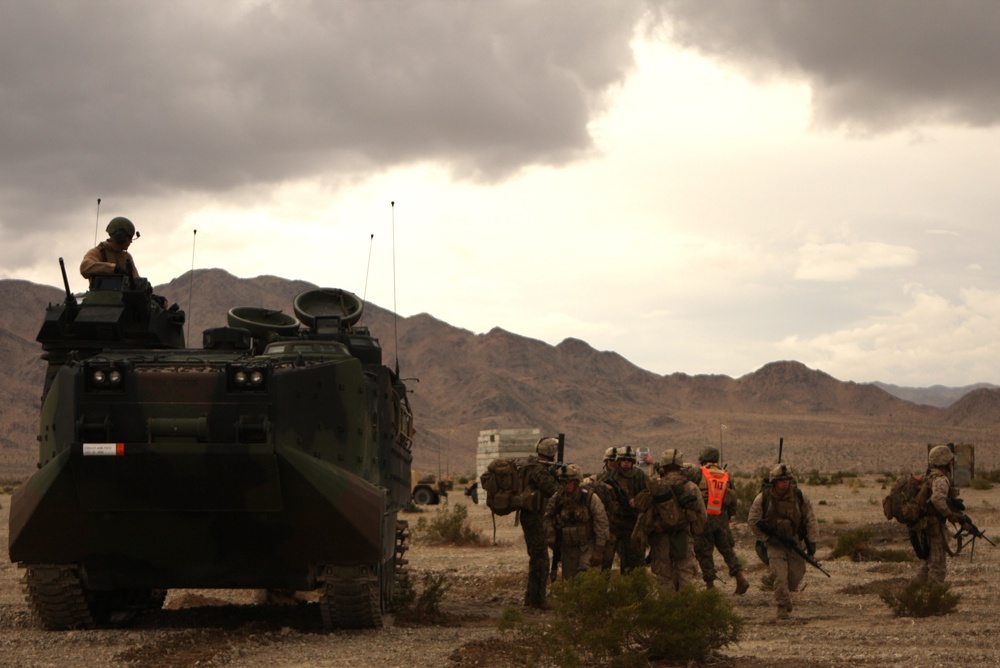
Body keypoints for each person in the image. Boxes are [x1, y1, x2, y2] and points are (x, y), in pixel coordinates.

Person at [747, 463, 819, 619]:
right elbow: (753, 520)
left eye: (787, 479)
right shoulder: (763, 498)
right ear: (774, 481)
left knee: (795, 576)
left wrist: (812, 542)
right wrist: (767, 538)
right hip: (774, 544)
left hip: (793, 541)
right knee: (779, 575)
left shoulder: (799, 496)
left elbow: (810, 519)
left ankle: (785, 597)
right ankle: (782, 606)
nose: (785, 482)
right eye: (781, 480)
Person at [633, 449, 706, 590]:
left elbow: (645, 512)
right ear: (680, 466)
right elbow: (702, 515)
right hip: (684, 536)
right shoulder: (690, 486)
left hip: (661, 537)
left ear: (664, 466)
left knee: (664, 577)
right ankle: (688, 607)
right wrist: (694, 532)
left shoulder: (657, 486)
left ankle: (668, 608)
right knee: (686, 574)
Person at [692, 446, 750, 595]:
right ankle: (740, 578)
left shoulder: (699, 473)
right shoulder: (726, 475)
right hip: (721, 518)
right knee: (727, 551)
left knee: (704, 553)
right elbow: (733, 499)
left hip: (704, 518)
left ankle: (710, 586)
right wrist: (727, 517)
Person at [81, 216, 167, 306]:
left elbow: (135, 280)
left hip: (123, 302)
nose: (131, 242)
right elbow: (85, 267)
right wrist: (113, 269)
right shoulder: (98, 252)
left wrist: (151, 296)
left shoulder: (127, 257)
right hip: (100, 301)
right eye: (129, 238)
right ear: (120, 237)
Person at [544, 464, 610, 580]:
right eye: (564, 482)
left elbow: (601, 523)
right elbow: (547, 517)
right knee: (570, 582)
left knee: (587, 579)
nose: (567, 485)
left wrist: (599, 550)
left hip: (587, 546)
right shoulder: (558, 498)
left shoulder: (590, 498)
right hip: (568, 548)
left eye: (570, 481)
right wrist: (551, 534)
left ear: (577, 482)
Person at [520, 437, 562, 608]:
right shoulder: (539, 470)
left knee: (536, 558)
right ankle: (538, 600)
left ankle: (532, 597)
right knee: (541, 560)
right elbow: (555, 490)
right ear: (551, 452)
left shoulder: (531, 466)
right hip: (535, 518)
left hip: (532, 517)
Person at [913, 445, 962, 584]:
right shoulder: (940, 479)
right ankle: (933, 601)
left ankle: (914, 594)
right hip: (933, 526)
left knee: (927, 564)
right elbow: (937, 499)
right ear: (947, 462)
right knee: (937, 567)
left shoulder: (927, 476)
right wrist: (949, 515)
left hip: (924, 525)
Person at [605, 446, 647, 572]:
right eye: (623, 460)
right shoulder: (610, 476)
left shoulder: (639, 475)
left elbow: (649, 492)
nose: (626, 462)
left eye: (629, 460)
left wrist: (638, 500)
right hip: (614, 523)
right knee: (606, 559)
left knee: (632, 562)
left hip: (632, 524)